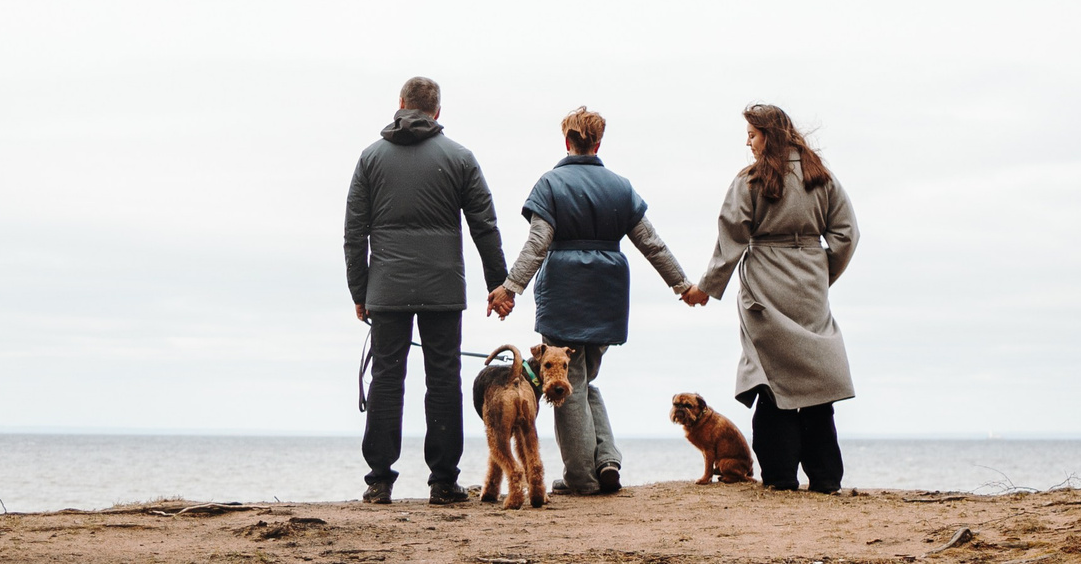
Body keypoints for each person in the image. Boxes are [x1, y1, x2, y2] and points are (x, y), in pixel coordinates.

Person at [486, 107, 699, 496]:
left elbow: (538, 244)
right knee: (583, 381)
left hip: (564, 296)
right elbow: (651, 243)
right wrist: (681, 284)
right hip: (606, 297)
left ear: (566, 141)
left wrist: (510, 288)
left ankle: (580, 479)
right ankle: (607, 462)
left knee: (569, 386)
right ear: (598, 143)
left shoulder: (551, 184)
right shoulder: (620, 186)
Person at [344, 76, 508, 505]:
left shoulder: (370, 158)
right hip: (442, 288)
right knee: (443, 379)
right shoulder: (460, 157)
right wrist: (499, 284)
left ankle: (379, 482)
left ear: (400, 104)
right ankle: (443, 482)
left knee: (386, 380)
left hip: (387, 288)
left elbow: (353, 233)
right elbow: (484, 226)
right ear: (437, 112)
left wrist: (359, 290)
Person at [686, 103, 858, 493]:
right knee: (816, 387)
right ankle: (826, 478)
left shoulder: (751, 180)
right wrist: (821, 273)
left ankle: (780, 477)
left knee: (771, 384)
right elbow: (847, 235)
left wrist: (705, 289)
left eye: (752, 134)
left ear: (770, 135)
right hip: (810, 285)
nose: (748, 142)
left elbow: (730, 239)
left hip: (764, 285)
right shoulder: (822, 177)